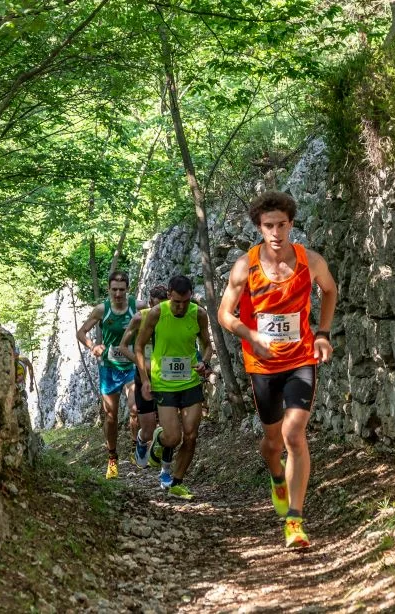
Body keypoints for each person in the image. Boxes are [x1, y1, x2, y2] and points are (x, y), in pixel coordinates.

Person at [217, 190, 337, 549]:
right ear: (259, 227)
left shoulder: (309, 261)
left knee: (294, 435)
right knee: (272, 444)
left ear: (291, 224)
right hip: (262, 364)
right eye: (268, 225)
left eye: (281, 225)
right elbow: (224, 314)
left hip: (300, 359)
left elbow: (329, 291)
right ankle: (276, 476)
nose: (275, 232)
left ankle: (295, 521)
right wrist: (250, 334)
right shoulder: (245, 266)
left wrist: (323, 333)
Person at [134, 275, 213, 499]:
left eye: (185, 302)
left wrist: (205, 362)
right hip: (164, 382)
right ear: (169, 295)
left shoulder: (198, 314)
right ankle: (159, 441)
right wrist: (145, 379)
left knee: (191, 435)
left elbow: (207, 345)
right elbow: (139, 347)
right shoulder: (157, 313)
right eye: (177, 302)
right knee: (173, 438)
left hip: (190, 381)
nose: (181, 307)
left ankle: (177, 482)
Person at [76, 271, 138, 479]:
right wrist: (93, 346)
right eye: (114, 290)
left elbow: (156, 318)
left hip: (131, 365)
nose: (118, 294)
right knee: (111, 416)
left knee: (135, 409)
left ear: (128, 289)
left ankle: (135, 447)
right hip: (109, 367)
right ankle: (112, 457)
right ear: (108, 289)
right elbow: (81, 332)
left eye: (122, 290)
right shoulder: (102, 309)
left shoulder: (137, 306)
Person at [117, 284, 169, 468]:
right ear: (150, 303)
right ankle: (141, 440)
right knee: (148, 430)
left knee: (169, 426)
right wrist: (143, 364)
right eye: (156, 306)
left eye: (164, 306)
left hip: (166, 377)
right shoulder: (140, 318)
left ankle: (163, 464)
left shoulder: (173, 316)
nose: (160, 311)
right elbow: (123, 347)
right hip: (144, 376)